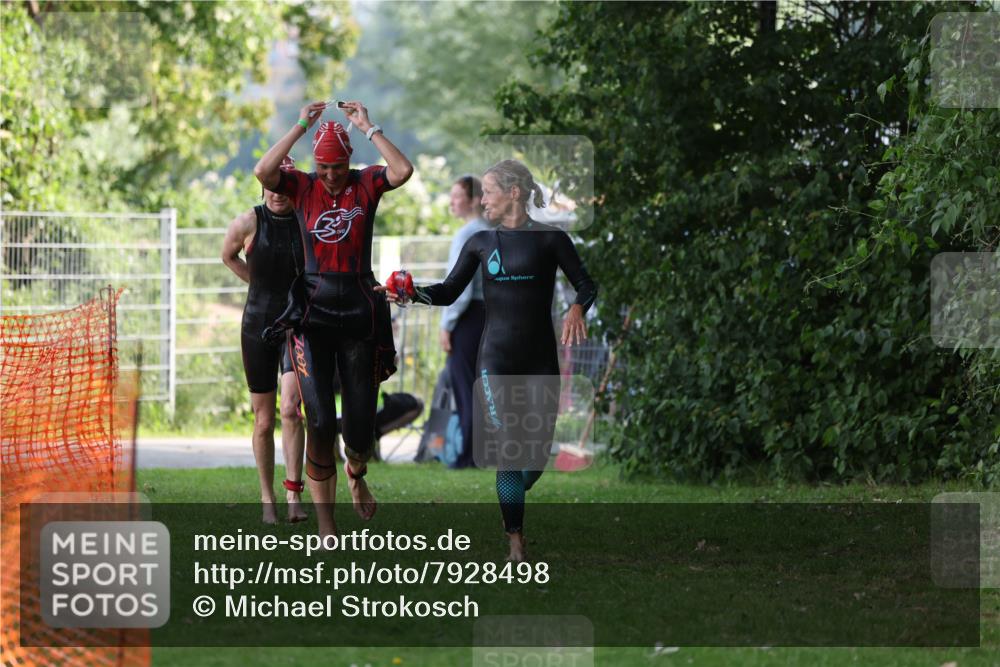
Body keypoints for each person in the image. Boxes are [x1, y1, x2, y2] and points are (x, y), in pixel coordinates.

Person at [379, 159, 596, 561]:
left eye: (491, 192)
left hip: (539, 360)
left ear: (514, 193)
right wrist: (411, 294)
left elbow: (586, 284)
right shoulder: (480, 242)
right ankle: (515, 540)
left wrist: (577, 308)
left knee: (535, 455)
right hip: (494, 358)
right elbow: (447, 291)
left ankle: (519, 494)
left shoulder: (551, 240)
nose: (484, 200)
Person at [255, 100, 413, 540]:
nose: (329, 174)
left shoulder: (366, 183)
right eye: (323, 167)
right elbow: (263, 172)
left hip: (360, 311)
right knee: (320, 420)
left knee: (360, 428)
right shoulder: (301, 186)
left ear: (349, 161)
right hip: (313, 314)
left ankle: (356, 472)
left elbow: (402, 171)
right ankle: (327, 527)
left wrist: (368, 126)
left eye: (336, 166)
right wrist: (300, 126)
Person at [221, 156, 307, 525]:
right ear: (262, 187)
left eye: (282, 185)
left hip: (298, 326)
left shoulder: (308, 220)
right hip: (257, 324)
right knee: (263, 420)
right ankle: (267, 499)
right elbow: (228, 256)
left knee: (291, 410)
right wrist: (257, 285)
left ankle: (293, 496)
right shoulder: (249, 221)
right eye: (270, 185)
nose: (276, 193)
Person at [439, 175, 492, 469]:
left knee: (465, 383)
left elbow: (458, 287)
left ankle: (468, 456)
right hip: (490, 315)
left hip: (469, 315)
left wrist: (447, 325)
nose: (452, 201)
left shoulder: (467, 234)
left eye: (457, 196)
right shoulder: (490, 231)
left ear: (473, 200)